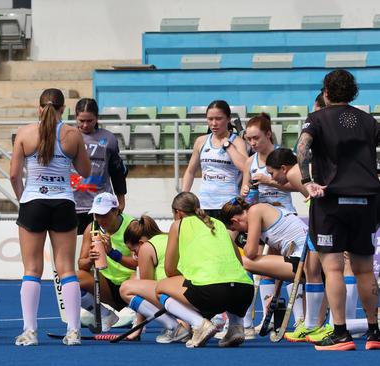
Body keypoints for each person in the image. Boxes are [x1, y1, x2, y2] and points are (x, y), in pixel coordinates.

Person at [297, 69, 380, 350]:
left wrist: (307, 181)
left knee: (332, 268)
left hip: (331, 200)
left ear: (326, 92)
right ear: (353, 93)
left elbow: (302, 147)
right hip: (367, 200)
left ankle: (341, 333)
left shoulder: (317, 118)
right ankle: (374, 332)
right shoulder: (369, 121)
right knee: (365, 269)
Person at [9, 88, 91, 346]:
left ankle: (30, 331)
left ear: (39, 107)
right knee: (66, 269)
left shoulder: (25, 133)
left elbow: (13, 175)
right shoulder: (72, 134)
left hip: (33, 201)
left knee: (32, 269)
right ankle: (74, 331)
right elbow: (85, 171)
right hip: (63, 203)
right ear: (63, 109)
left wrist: (24, 196)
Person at [155, 192, 253, 348]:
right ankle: (235, 327)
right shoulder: (218, 224)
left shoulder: (177, 225)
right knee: (229, 281)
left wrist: (190, 276)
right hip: (245, 292)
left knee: (160, 288)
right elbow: (239, 261)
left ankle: (199, 324)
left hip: (212, 293)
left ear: (178, 213)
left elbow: (170, 270)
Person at [220, 197, 323, 339]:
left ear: (235, 221)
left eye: (236, 229)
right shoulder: (268, 212)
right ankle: (245, 323)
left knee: (239, 261)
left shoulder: (255, 211)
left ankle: (243, 324)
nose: (241, 232)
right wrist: (275, 295)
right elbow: (277, 258)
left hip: (304, 262)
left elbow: (250, 253)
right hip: (306, 262)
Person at [119, 215, 190, 343]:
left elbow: (145, 292)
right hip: (192, 296)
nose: (134, 256)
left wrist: (137, 328)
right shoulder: (169, 238)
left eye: (134, 250)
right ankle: (185, 322)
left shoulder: (147, 248)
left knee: (127, 287)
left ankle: (176, 326)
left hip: (175, 299)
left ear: (141, 243)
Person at [76, 192, 137, 332]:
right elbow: (82, 265)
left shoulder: (132, 226)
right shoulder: (92, 228)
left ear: (116, 211)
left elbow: (141, 263)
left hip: (132, 284)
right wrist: (91, 259)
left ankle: (138, 316)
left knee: (138, 276)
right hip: (108, 285)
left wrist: (112, 253)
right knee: (72, 280)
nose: (100, 219)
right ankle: (106, 315)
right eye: (97, 214)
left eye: (104, 214)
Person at [70, 98, 128, 234]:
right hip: (72, 204)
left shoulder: (109, 139)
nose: (85, 125)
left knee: (99, 249)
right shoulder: (68, 136)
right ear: (75, 117)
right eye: (81, 121)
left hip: (101, 206)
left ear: (97, 118)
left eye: (89, 121)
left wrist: (121, 200)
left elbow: (117, 171)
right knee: (77, 251)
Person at [182, 100, 248, 218]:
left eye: (218, 118)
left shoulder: (238, 142)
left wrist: (229, 146)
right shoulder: (201, 141)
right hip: (205, 204)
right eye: (210, 119)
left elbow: (245, 167)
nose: (213, 123)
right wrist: (183, 197)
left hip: (229, 205)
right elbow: (190, 171)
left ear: (228, 119)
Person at [241, 114, 296, 212]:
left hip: (285, 213)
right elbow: (243, 191)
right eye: (249, 139)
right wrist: (245, 191)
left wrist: (269, 181)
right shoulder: (250, 161)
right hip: (262, 216)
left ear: (268, 134)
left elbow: (297, 186)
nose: (252, 143)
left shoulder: (284, 154)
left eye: (256, 138)